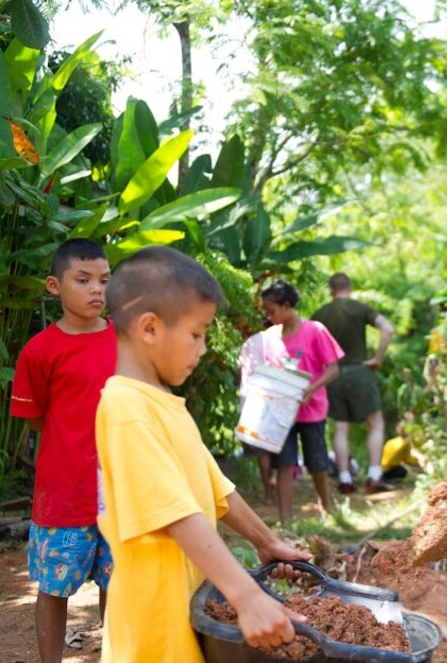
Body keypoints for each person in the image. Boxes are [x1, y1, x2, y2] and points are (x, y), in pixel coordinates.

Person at [95, 246, 311, 662]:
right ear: (150, 328)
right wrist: (247, 596)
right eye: (197, 333)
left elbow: (214, 488)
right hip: (153, 629)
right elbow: (176, 514)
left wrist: (266, 542)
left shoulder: (163, 402)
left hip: (186, 608)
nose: (203, 347)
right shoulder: (126, 408)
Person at [10, 239, 116, 663]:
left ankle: (116, 654)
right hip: (62, 493)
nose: (97, 290)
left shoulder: (127, 340)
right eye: (83, 279)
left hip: (123, 491)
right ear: (55, 286)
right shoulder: (38, 352)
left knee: (118, 584)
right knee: (54, 588)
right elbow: (37, 419)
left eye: (104, 281)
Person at [260, 280, 342, 521]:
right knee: (284, 463)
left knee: (316, 461)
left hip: (312, 410)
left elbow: (334, 368)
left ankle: (326, 506)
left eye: (271, 310)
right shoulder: (270, 336)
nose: (268, 316)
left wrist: (312, 388)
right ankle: (285, 519)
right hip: (282, 412)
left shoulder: (315, 330)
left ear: (287, 306)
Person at [311, 273, 396, 493]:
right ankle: (374, 476)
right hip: (360, 370)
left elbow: (311, 345)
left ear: (331, 289)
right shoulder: (361, 308)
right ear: (350, 286)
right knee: (375, 423)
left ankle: (345, 478)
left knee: (340, 427)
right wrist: (377, 358)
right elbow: (388, 329)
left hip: (334, 374)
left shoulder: (321, 314)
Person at [236, 324, 282, 504]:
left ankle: (269, 494)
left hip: (252, 401)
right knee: (277, 447)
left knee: (262, 452)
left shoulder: (250, 341)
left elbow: (240, 372)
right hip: (277, 401)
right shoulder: (280, 342)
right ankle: (276, 481)